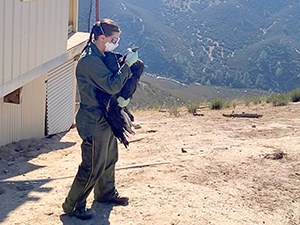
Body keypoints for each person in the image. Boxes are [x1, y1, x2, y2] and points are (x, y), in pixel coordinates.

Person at [62, 18, 139, 220]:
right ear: (102, 38)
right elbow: (111, 85)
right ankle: (73, 205)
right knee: (92, 165)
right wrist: (127, 67)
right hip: (93, 119)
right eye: (114, 39)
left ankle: (105, 193)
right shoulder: (89, 61)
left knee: (109, 158)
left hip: (104, 116)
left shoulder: (99, 55)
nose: (116, 43)